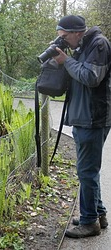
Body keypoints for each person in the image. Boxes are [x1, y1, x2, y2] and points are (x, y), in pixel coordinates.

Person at [53, 15, 111, 238]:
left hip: (93, 118)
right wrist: (63, 60)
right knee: (88, 171)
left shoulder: (99, 44)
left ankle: (89, 223)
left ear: (77, 32)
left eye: (65, 37)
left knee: (86, 171)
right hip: (83, 117)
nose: (64, 41)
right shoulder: (82, 46)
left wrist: (66, 61)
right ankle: (98, 214)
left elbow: (90, 77)